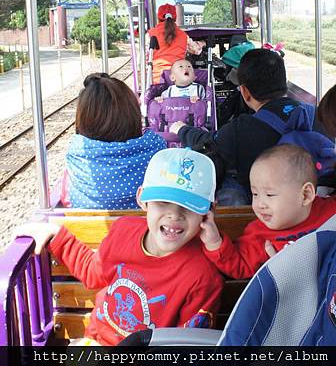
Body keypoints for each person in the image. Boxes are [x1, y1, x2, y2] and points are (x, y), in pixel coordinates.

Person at [16, 148, 223, 346]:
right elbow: (92, 272)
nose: (174, 215)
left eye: (188, 206)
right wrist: (55, 236)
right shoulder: (123, 232)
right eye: (162, 202)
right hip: (97, 343)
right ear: (143, 199)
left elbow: (185, 347)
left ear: (208, 212)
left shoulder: (203, 277)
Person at [170, 48, 320, 205]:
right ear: (284, 82)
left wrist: (181, 129)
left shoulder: (239, 129)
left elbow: (206, 142)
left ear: (244, 91)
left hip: (263, 210)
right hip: (313, 205)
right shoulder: (315, 114)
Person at [199, 144, 336, 279]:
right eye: (255, 194)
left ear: (305, 195)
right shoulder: (259, 235)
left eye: (269, 195)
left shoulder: (330, 211)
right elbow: (240, 265)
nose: (259, 204)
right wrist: (215, 243)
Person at [61, 73, 166, 209]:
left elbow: (67, 198)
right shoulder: (155, 145)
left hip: (85, 225)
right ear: (132, 112)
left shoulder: (76, 151)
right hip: (143, 226)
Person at [148, 4, 202, 83]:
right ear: (175, 18)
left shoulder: (150, 34)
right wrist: (202, 43)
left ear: (158, 18)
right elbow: (197, 51)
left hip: (156, 80)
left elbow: (144, 59)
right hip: (179, 80)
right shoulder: (183, 35)